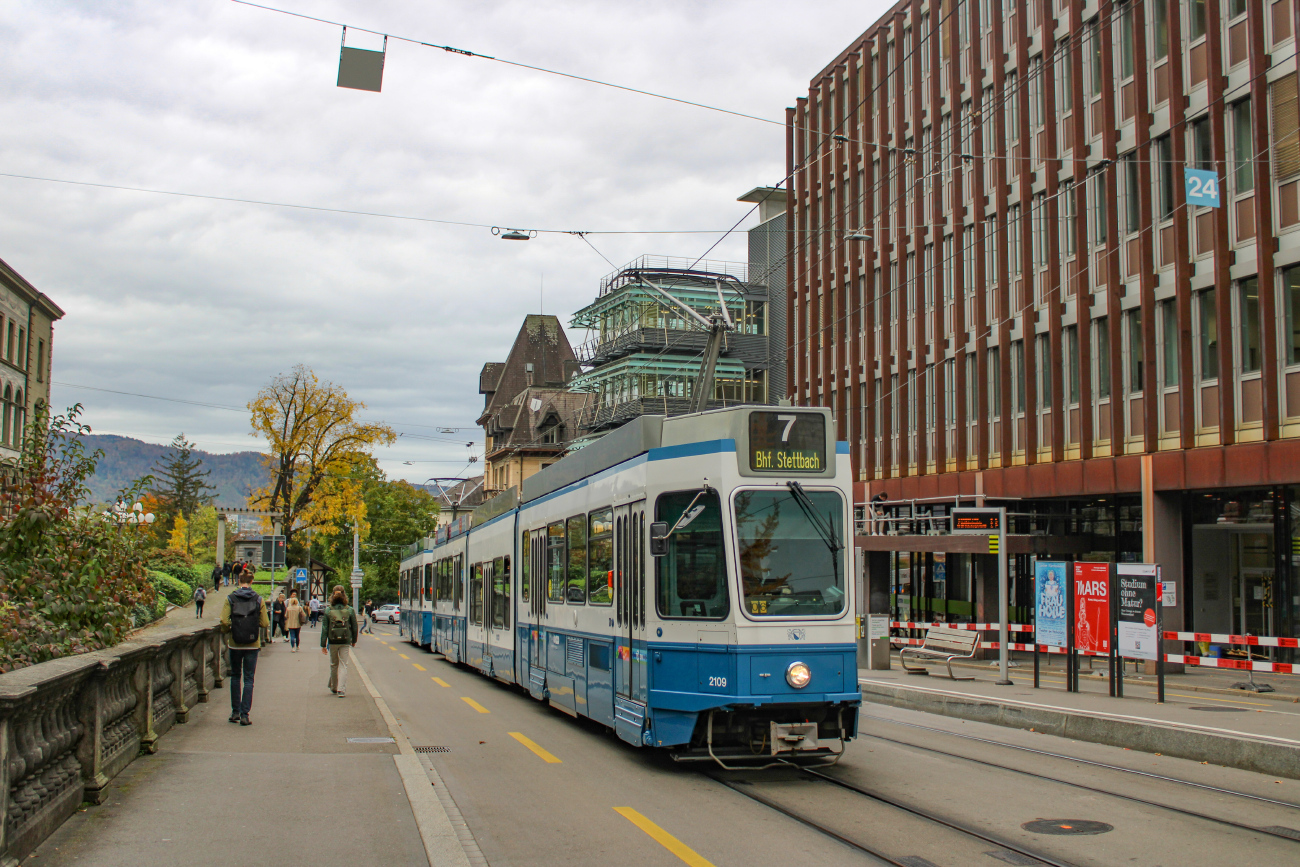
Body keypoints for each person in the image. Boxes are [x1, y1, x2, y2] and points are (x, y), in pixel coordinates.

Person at [220, 571, 269, 725]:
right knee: (249, 679)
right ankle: (244, 714)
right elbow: (265, 623)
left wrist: (230, 630)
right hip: (252, 644)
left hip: (235, 643)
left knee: (235, 676)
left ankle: (235, 711)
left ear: (239, 581)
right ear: (252, 581)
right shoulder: (258, 599)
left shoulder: (230, 598)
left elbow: (223, 620)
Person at [320, 585, 358, 697]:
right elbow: (354, 627)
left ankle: (334, 687)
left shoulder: (328, 610)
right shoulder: (349, 610)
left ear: (332, 595)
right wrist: (353, 640)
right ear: (344, 595)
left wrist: (323, 644)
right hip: (345, 640)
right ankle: (341, 689)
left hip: (332, 641)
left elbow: (325, 628)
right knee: (343, 664)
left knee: (334, 664)